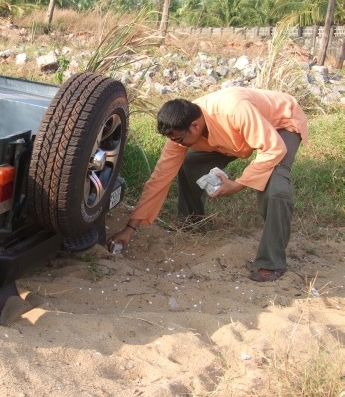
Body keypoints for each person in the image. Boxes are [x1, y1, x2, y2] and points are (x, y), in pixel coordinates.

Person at [108, 87, 308, 282]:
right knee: (189, 163)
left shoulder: (233, 110)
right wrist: (130, 228)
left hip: (280, 124)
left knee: (275, 188)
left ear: (195, 126)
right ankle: (191, 224)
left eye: (179, 139)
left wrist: (237, 184)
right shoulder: (181, 133)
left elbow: (274, 148)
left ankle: (271, 263)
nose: (177, 143)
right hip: (237, 136)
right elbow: (159, 179)